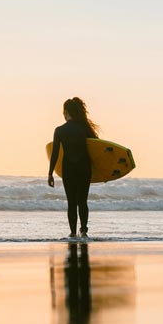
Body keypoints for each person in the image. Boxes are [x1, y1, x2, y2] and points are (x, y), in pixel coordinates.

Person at [48, 96, 98, 240]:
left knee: (71, 203)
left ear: (66, 112)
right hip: (84, 168)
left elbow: (55, 153)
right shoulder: (84, 128)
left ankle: (73, 233)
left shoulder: (59, 130)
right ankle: (84, 231)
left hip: (68, 169)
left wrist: (50, 173)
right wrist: (104, 172)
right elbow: (96, 151)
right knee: (82, 201)